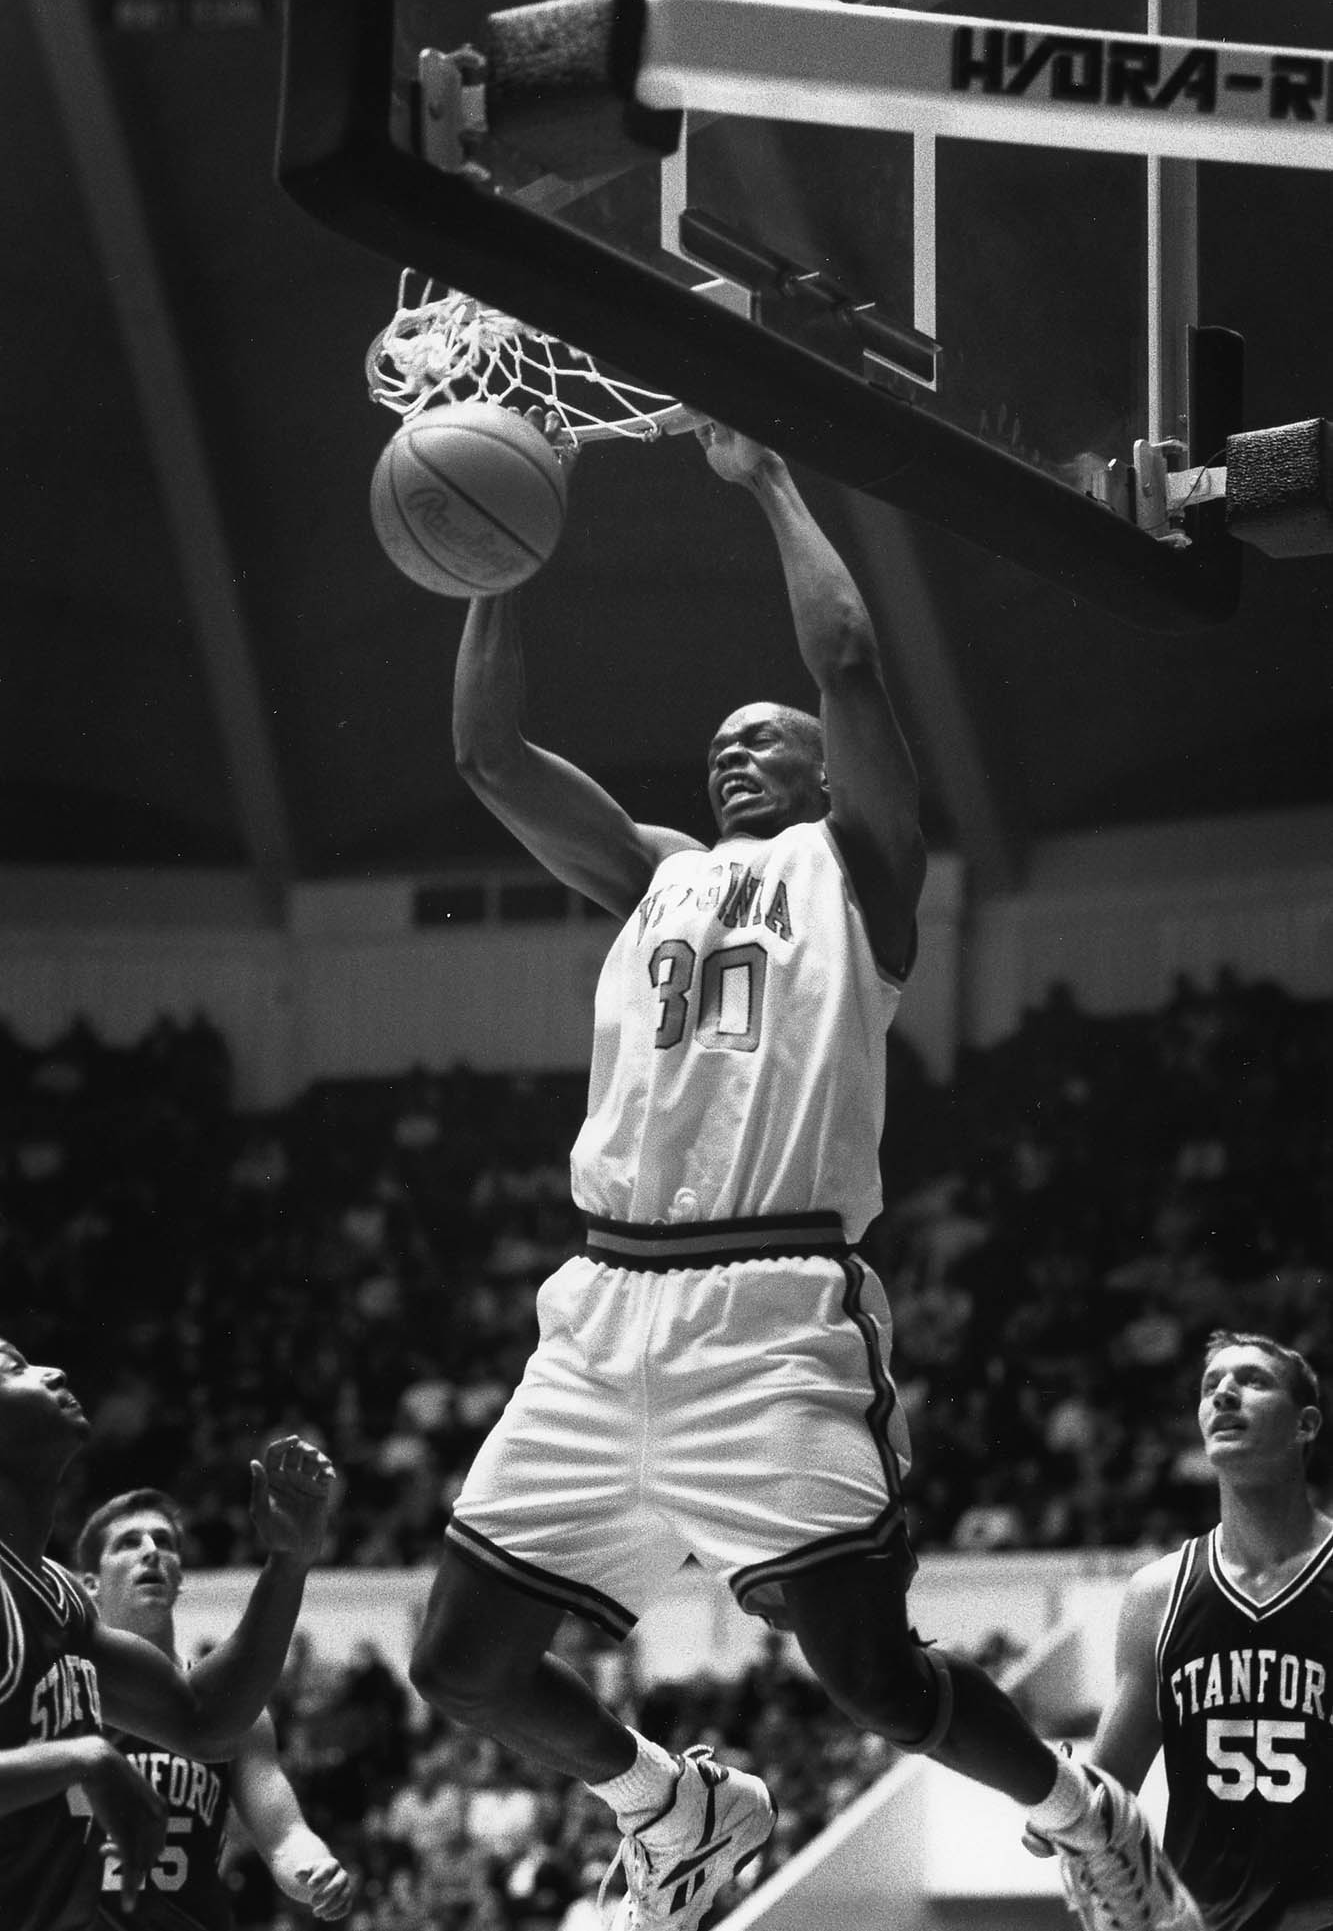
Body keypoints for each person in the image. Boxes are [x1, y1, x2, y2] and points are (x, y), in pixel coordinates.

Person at [409, 421, 1206, 1931]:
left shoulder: (860, 873)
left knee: (866, 1672)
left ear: (824, 766)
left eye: (763, 735)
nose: (733, 745)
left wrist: (773, 475)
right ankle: (672, 1805)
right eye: (717, 740)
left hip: (773, 1307)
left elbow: (846, 659)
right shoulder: (653, 873)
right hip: (599, 1310)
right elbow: (485, 755)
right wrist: (500, 561)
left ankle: (1075, 1808)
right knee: (457, 1663)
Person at [0, 1338, 335, 1931]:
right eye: (14, 1369)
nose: (55, 1370)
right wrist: (88, 1758)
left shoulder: (57, 1597)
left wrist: (288, 1565)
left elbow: (204, 1722)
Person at [1029, 1330, 1333, 1931]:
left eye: (1252, 1380)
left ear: (1305, 1425)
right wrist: (1054, 1806)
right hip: (1200, 1920)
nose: (1224, 1393)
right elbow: (1111, 1786)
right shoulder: (1157, 1594)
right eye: (1210, 1385)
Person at [73, 1486, 354, 1927]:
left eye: (164, 1542)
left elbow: (283, 1836)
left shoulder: (233, 1709)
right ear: (89, 1584)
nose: (151, 1552)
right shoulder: (53, 1696)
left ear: (179, 1577)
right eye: (129, 1542)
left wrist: (314, 1868)